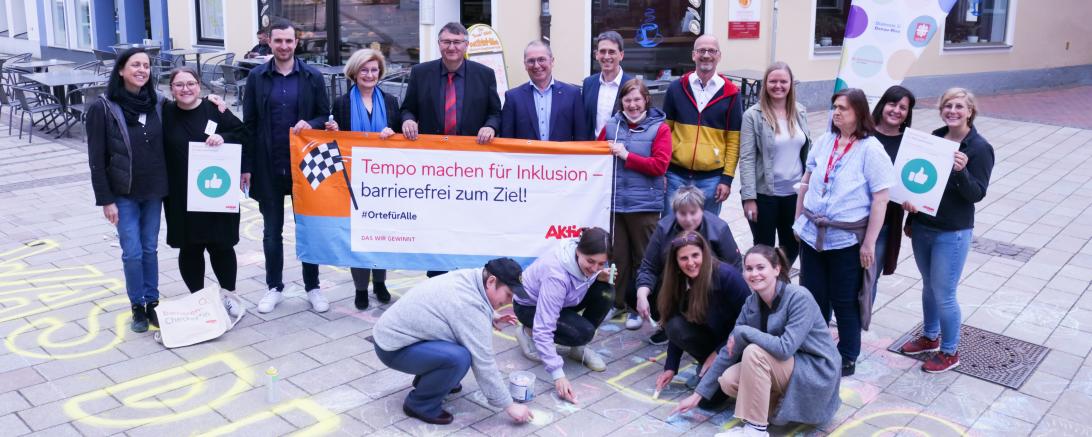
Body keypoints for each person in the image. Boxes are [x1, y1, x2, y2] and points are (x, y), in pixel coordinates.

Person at [672, 245, 842, 437]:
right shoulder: (751, 304)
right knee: (728, 380)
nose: (754, 274)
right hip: (790, 368)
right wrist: (697, 396)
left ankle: (755, 430)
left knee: (753, 352)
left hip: (816, 371)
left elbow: (785, 348)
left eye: (761, 267)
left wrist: (744, 331)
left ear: (777, 269)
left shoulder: (799, 297)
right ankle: (776, 408)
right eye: (749, 269)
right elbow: (728, 353)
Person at [792, 88, 894, 377]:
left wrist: (869, 244)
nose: (836, 113)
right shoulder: (825, 141)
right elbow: (807, 179)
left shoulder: (871, 150)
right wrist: (799, 219)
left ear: (859, 113)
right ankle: (815, 346)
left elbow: (881, 199)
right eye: (834, 107)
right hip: (813, 233)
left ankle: (848, 354)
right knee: (812, 296)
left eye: (843, 108)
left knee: (844, 299)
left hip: (847, 239)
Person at [372, 258, 534, 425]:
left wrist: (491, 315)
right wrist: (509, 405)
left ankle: (433, 381)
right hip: (392, 348)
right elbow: (484, 362)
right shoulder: (468, 305)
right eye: (508, 294)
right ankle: (420, 404)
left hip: (398, 337)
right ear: (491, 281)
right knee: (459, 358)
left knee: (460, 344)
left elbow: (459, 307)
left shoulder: (471, 277)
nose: (509, 302)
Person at [900, 88, 994, 373]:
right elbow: (921, 182)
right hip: (924, 226)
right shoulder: (935, 138)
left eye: (959, 107)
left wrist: (961, 171)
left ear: (970, 112)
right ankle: (930, 336)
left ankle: (951, 351)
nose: (952, 111)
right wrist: (910, 213)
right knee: (928, 286)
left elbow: (977, 193)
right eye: (947, 106)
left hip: (952, 232)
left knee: (944, 293)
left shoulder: (979, 148)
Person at [242, 20, 332, 314]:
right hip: (269, 165)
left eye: (288, 41)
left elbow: (324, 116)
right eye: (278, 41)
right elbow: (250, 124)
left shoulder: (312, 76)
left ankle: (313, 286)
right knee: (271, 232)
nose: (283, 46)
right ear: (269, 41)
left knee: (308, 228)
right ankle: (274, 286)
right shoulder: (257, 77)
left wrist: (314, 123)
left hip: (306, 167)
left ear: (297, 42)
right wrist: (247, 166)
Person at [400, 21, 502, 277]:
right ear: (439, 44)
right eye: (446, 42)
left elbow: (495, 112)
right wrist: (408, 119)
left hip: (471, 165)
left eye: (457, 42)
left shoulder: (484, 74)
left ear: (466, 45)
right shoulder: (421, 73)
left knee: (469, 219)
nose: (452, 47)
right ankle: (436, 276)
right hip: (433, 165)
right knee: (436, 220)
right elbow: (407, 107)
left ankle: (470, 275)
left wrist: (490, 126)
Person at [87, 48, 166, 333]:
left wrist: (213, 102)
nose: (142, 70)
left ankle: (153, 302)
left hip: (155, 190)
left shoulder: (158, 104)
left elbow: (189, 112)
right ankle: (137, 306)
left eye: (146, 65)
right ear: (121, 70)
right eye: (135, 65)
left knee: (150, 248)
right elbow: (96, 159)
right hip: (124, 193)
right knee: (132, 251)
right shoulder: (104, 107)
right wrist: (106, 200)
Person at [161, 66, 248, 317]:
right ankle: (198, 298)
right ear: (171, 89)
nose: (185, 89)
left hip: (217, 191)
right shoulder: (164, 112)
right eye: (179, 85)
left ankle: (229, 295)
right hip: (180, 194)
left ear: (199, 85)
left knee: (222, 245)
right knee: (190, 248)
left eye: (190, 83)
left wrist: (223, 137)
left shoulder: (214, 108)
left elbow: (242, 133)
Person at [324, 48, 401, 310]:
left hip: (385, 181)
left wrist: (394, 132)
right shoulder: (343, 103)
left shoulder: (391, 102)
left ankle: (379, 283)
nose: (369, 74)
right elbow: (339, 142)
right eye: (364, 70)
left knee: (381, 234)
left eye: (374, 70)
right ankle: (360, 288)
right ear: (354, 74)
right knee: (358, 236)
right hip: (355, 181)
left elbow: (402, 138)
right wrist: (333, 131)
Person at [598, 78, 670, 325]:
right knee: (617, 257)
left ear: (646, 100)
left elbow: (660, 165)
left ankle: (640, 308)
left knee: (644, 259)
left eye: (637, 99)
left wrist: (628, 155)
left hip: (644, 205)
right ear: (622, 102)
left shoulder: (660, 128)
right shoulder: (610, 126)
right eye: (627, 100)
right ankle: (616, 303)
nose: (632, 104)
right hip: (616, 203)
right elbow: (593, 156)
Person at [513, 227, 614, 404]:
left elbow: (590, 272)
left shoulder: (586, 262)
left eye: (601, 263)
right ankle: (527, 332)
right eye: (591, 261)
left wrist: (598, 275)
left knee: (606, 292)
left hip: (565, 300)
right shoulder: (556, 275)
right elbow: (545, 328)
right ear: (578, 251)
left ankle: (578, 348)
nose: (595, 267)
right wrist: (557, 374)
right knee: (582, 332)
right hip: (529, 307)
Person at [631, 186, 742, 339]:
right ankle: (668, 322)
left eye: (693, 213)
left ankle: (708, 330)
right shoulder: (664, 228)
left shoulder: (719, 228)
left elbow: (735, 268)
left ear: (702, 210)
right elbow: (649, 266)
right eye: (682, 214)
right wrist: (642, 296)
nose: (688, 219)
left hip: (710, 286)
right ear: (675, 213)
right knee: (633, 290)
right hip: (676, 282)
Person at [652, 231, 749, 398]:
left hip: (738, 344)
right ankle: (706, 368)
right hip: (712, 338)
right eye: (683, 258)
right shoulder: (677, 281)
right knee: (674, 326)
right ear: (675, 262)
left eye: (695, 255)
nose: (691, 263)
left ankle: (722, 373)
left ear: (704, 253)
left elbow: (749, 322)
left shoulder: (726, 276)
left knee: (708, 400)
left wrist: (719, 352)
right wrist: (671, 367)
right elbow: (674, 321)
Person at [661, 34, 743, 216]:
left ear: (719, 56)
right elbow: (665, 133)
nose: (706, 55)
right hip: (675, 176)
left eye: (711, 51)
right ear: (693, 55)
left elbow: (734, 141)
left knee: (706, 234)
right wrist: (663, 172)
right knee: (670, 230)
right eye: (701, 51)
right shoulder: (676, 88)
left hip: (711, 179)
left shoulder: (731, 93)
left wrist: (727, 179)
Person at [739, 62, 811, 266]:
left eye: (783, 81)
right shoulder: (753, 115)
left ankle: (780, 281)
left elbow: (806, 152)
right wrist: (749, 198)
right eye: (773, 81)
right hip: (764, 195)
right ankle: (765, 288)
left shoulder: (800, 111)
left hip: (795, 195)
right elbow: (746, 158)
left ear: (791, 84)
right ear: (765, 84)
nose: (778, 85)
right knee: (764, 248)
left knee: (793, 244)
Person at [869, 85, 916, 300]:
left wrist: (914, 203)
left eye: (903, 107)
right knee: (844, 274)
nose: (897, 110)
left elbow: (915, 183)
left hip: (887, 221)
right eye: (892, 104)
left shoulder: (911, 143)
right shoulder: (864, 133)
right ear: (882, 105)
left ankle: (860, 326)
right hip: (853, 218)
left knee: (870, 275)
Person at [500, 40, 587, 141]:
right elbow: (506, 140)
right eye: (531, 61)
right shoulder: (513, 97)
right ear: (525, 65)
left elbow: (581, 137)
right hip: (526, 157)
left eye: (541, 59)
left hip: (562, 157)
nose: (536, 65)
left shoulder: (572, 94)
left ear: (552, 61)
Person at [582, 31, 634, 139]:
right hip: (591, 150)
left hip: (620, 151)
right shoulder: (588, 83)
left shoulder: (632, 86)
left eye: (611, 52)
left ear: (621, 55)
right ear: (596, 55)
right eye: (602, 51)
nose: (606, 56)